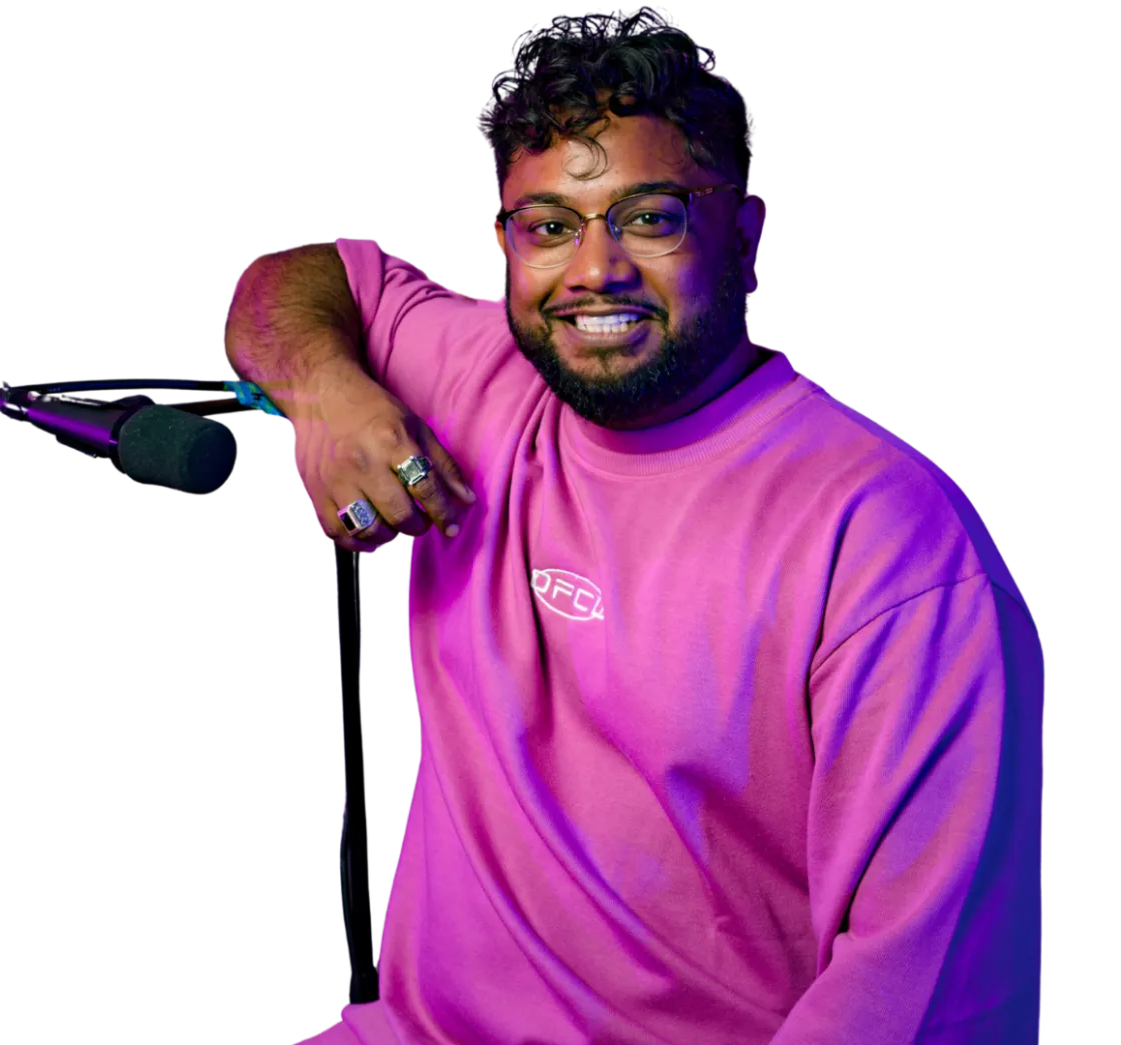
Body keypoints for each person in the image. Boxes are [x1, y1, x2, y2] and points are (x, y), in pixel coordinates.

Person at [225, 9, 1045, 1044]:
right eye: (549, 226)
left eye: (650, 217)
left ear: (745, 233)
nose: (593, 271)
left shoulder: (884, 541)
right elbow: (297, 279)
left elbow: (917, 995)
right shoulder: (482, 372)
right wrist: (327, 392)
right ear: (503, 245)